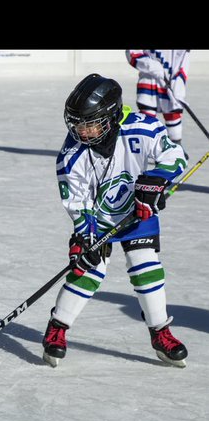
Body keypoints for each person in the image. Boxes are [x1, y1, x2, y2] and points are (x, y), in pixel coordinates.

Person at [43, 73, 189, 370]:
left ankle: (160, 331)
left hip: (137, 213)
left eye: (88, 123)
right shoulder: (71, 156)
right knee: (89, 270)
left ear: (110, 116)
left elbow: (175, 156)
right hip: (98, 219)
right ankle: (58, 325)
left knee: (146, 266)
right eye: (76, 123)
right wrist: (83, 238)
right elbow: (78, 203)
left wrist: (156, 182)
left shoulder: (143, 128)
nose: (81, 131)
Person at [125, 50, 190, 145]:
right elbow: (131, 53)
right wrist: (150, 65)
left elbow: (183, 60)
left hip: (172, 81)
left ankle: (177, 149)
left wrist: (179, 81)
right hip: (148, 80)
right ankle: (146, 151)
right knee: (146, 121)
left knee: (173, 116)